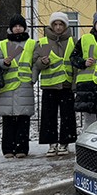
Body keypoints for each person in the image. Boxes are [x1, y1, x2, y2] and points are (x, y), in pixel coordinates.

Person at [34, 12, 77, 156]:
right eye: (55, 24)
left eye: (61, 24)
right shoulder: (42, 42)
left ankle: (65, 142)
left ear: (65, 26)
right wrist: (42, 62)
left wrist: (75, 83)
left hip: (66, 84)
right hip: (50, 85)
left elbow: (76, 62)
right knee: (48, 116)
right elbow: (36, 63)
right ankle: (51, 144)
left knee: (67, 115)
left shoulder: (73, 41)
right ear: (51, 26)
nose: (58, 27)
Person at [0, 14, 36, 158]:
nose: (18, 29)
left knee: (23, 119)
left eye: (20, 26)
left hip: (25, 86)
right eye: (15, 26)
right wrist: (4, 63)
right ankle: (7, 149)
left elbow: (36, 62)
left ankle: (22, 148)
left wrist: (33, 77)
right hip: (8, 86)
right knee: (8, 119)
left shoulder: (32, 43)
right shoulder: (2, 44)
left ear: (24, 28)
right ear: (10, 29)